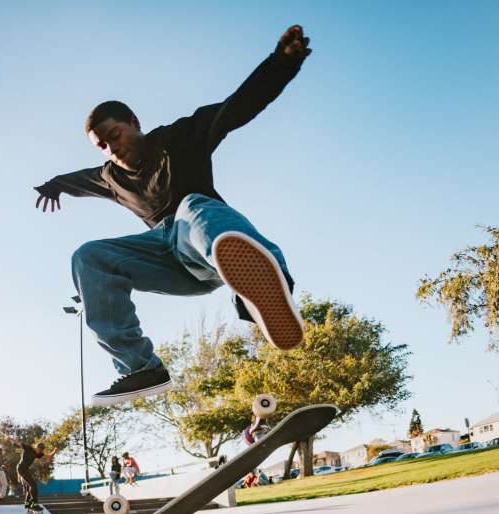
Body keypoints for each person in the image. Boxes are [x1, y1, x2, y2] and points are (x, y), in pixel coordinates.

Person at [35, 25, 313, 406]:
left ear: (134, 121)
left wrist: (283, 63)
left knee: (192, 206)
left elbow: (239, 106)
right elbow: (78, 180)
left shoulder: (180, 137)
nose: (111, 149)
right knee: (89, 256)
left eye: (114, 135)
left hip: (203, 241)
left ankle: (263, 290)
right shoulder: (110, 177)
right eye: (102, 146)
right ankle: (141, 367)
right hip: (165, 261)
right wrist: (55, 184)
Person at [16, 441, 46, 510]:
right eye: (39, 449)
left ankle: (27, 503)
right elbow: (19, 443)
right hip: (21, 468)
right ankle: (34, 504)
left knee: (29, 487)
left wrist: (54, 451)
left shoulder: (38, 454)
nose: (40, 451)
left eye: (41, 450)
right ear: (37, 447)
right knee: (34, 485)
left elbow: (48, 456)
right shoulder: (29, 448)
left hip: (25, 470)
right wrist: (10, 438)